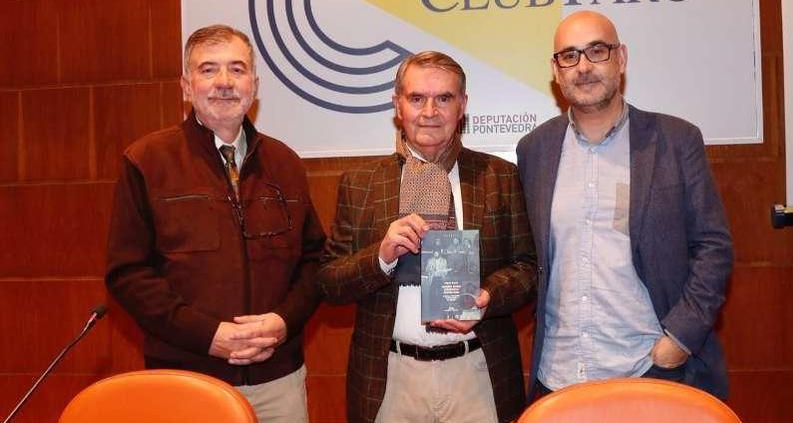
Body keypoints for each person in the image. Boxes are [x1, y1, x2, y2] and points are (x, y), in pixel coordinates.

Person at [105, 24, 325, 422]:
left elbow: (314, 262)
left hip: (279, 380)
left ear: (254, 85)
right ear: (187, 87)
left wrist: (282, 321)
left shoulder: (286, 163)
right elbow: (128, 275)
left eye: (237, 70)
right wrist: (210, 336)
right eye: (208, 70)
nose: (224, 82)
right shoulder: (147, 161)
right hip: (187, 378)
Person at [516, 11, 734, 400]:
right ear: (556, 70)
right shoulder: (535, 150)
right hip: (559, 375)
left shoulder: (675, 140)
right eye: (569, 55)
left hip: (650, 370)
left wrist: (680, 338)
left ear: (622, 58)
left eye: (597, 51)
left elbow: (713, 247)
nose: (583, 66)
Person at [318, 51, 537, 423]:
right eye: (417, 98)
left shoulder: (499, 176)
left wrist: (487, 297)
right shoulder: (361, 184)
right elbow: (329, 283)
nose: (430, 111)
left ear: (462, 105)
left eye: (444, 98)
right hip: (390, 378)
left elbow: (528, 269)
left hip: (478, 373)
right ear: (397, 105)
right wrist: (381, 256)